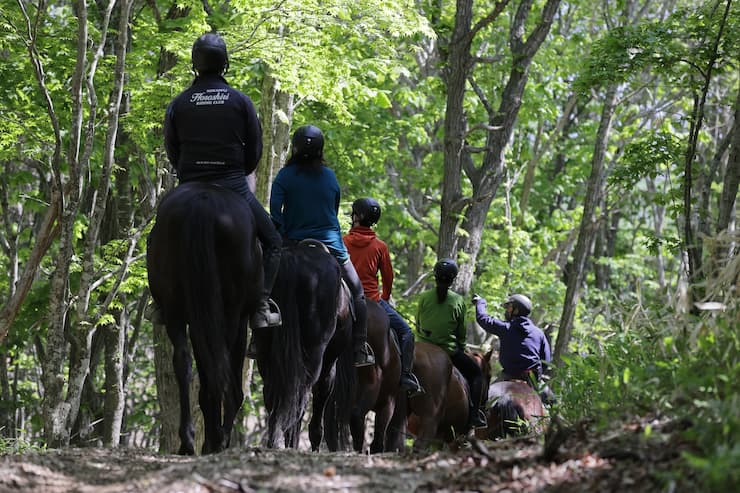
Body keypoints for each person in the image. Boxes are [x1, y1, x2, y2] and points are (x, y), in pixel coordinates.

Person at [152, 32, 282, 334]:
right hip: (233, 185)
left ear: (194, 64)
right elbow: (255, 152)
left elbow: (173, 149)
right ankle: (262, 304)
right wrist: (236, 172)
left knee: (157, 236)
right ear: (225, 63)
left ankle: (160, 303)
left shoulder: (179, 103)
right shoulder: (241, 101)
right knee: (274, 242)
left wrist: (190, 175)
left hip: (189, 185)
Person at [269, 125, 374, 367]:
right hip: (331, 243)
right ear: (320, 150)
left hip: (292, 241)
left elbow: (276, 211)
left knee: (265, 285)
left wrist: (284, 231)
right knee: (357, 292)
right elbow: (334, 208)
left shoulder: (285, 176)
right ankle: (359, 347)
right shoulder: (329, 176)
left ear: (294, 148)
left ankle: (257, 337)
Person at [343, 197, 424, 396]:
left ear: (358, 217)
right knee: (406, 333)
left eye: (353, 213)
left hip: (346, 299)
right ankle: (405, 376)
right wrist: (384, 298)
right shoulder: (380, 247)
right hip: (372, 300)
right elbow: (388, 277)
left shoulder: (342, 242)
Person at [415, 259, 487, 429]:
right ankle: (474, 416)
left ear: (435, 276)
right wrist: (461, 348)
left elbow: (418, 322)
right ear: (453, 279)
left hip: (422, 347)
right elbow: (461, 333)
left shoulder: (424, 297)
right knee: (477, 375)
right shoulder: (458, 301)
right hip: (448, 351)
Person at [472, 293, 555, 404]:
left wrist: (480, 303)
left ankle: (477, 419)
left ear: (516, 310)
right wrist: (537, 375)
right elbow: (546, 361)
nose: (507, 311)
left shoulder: (506, 328)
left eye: (509, 307)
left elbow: (483, 318)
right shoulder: (539, 333)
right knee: (552, 403)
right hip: (532, 379)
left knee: (484, 401)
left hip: (508, 375)